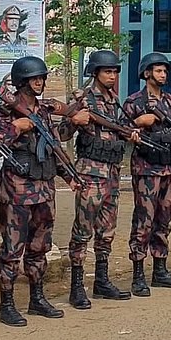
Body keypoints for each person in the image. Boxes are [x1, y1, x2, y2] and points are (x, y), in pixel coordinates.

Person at [0, 56, 67, 325]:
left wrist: (70, 177)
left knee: (39, 247)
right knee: (12, 250)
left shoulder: (44, 112)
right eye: (34, 78)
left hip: (45, 189)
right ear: (21, 81)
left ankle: (37, 298)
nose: (40, 82)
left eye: (42, 77)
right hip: (16, 191)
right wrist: (15, 128)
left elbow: (55, 148)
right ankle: (7, 304)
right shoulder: (4, 113)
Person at [64, 50, 137, 309]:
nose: (112, 75)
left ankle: (102, 281)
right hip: (90, 174)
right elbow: (63, 133)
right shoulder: (83, 98)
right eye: (108, 71)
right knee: (82, 231)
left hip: (113, 173)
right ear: (95, 72)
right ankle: (76, 287)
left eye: (115, 71)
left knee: (107, 231)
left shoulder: (115, 100)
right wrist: (74, 120)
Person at [122, 53, 171, 295]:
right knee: (144, 220)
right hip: (146, 169)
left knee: (164, 219)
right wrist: (139, 122)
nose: (163, 75)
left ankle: (160, 269)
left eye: (164, 71)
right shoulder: (134, 101)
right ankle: (138, 274)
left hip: (169, 168)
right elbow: (120, 129)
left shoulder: (170, 100)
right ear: (147, 73)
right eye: (158, 71)